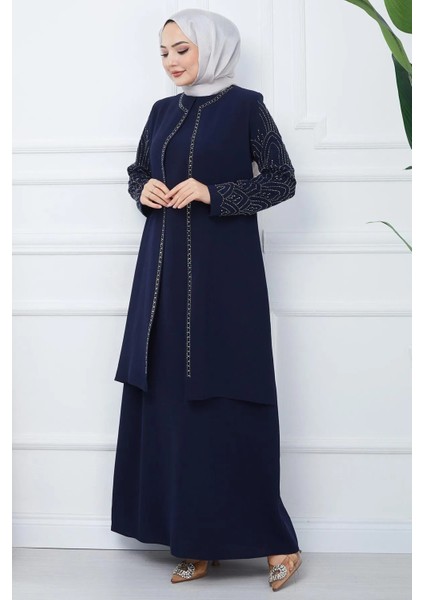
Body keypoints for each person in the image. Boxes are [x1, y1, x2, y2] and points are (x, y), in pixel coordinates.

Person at [111, 7, 302, 591]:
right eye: (164, 52)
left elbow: (282, 180)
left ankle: (277, 542)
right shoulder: (160, 112)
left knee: (231, 400)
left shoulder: (247, 107)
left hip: (226, 280)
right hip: (163, 279)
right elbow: (139, 169)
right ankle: (193, 541)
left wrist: (213, 193)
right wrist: (143, 188)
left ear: (212, 49)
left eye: (182, 50)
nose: (171, 62)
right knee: (174, 407)